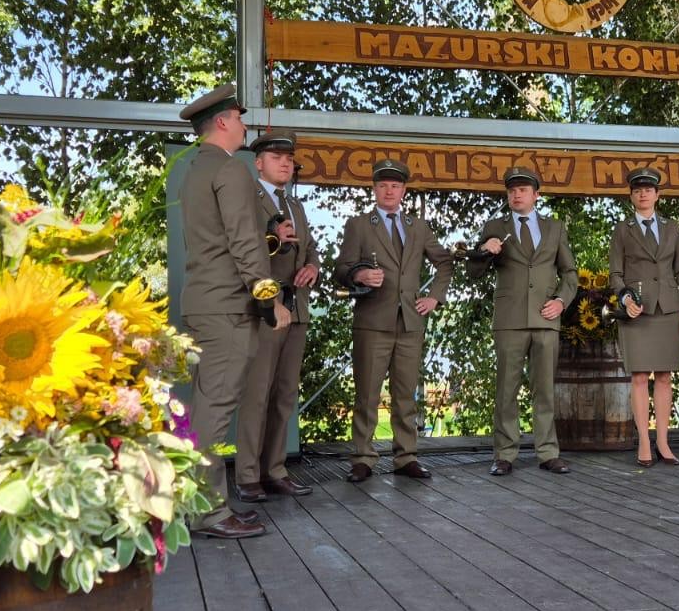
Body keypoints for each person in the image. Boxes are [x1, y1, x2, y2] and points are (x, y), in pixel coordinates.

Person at [177, 82, 291, 539]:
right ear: (223, 121)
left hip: (203, 304)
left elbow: (219, 241)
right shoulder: (232, 169)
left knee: (203, 405)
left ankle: (198, 504)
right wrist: (271, 300)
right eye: (240, 119)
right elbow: (244, 243)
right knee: (214, 412)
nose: (244, 126)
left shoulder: (193, 170)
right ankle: (207, 511)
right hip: (227, 310)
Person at [335, 159, 454, 483]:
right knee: (367, 394)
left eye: (395, 185)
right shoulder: (359, 224)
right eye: (383, 185)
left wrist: (435, 298)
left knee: (405, 395)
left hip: (411, 322)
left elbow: (444, 263)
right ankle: (362, 458)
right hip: (372, 320)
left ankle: (406, 457)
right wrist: (359, 273)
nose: (389, 190)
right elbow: (341, 269)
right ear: (375, 189)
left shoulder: (418, 226)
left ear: (403, 190)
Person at [468, 166, 578, 476]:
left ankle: (548, 452)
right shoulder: (493, 226)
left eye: (523, 189)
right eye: (512, 190)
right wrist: (483, 252)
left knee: (544, 390)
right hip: (510, 319)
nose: (517, 194)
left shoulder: (555, 227)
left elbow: (569, 272)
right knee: (506, 389)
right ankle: (504, 453)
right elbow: (474, 273)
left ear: (536, 195)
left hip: (546, 318)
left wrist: (560, 301)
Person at [233, 132, 319, 503]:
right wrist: (274, 240)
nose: (285, 163)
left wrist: (312, 266)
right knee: (257, 394)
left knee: (284, 394)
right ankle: (248, 475)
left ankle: (275, 470)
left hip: (295, 307)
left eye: (289, 158)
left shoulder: (295, 205)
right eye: (276, 157)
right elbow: (241, 252)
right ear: (258, 163)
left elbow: (311, 248)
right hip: (264, 309)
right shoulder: (246, 201)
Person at [608, 167, 679, 467]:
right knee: (639, 376)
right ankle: (644, 442)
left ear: (657, 194)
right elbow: (615, 275)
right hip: (638, 310)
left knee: (665, 376)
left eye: (648, 189)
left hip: (668, 308)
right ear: (631, 196)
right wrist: (625, 297)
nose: (643, 193)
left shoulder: (672, 228)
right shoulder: (622, 229)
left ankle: (663, 442)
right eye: (637, 190)